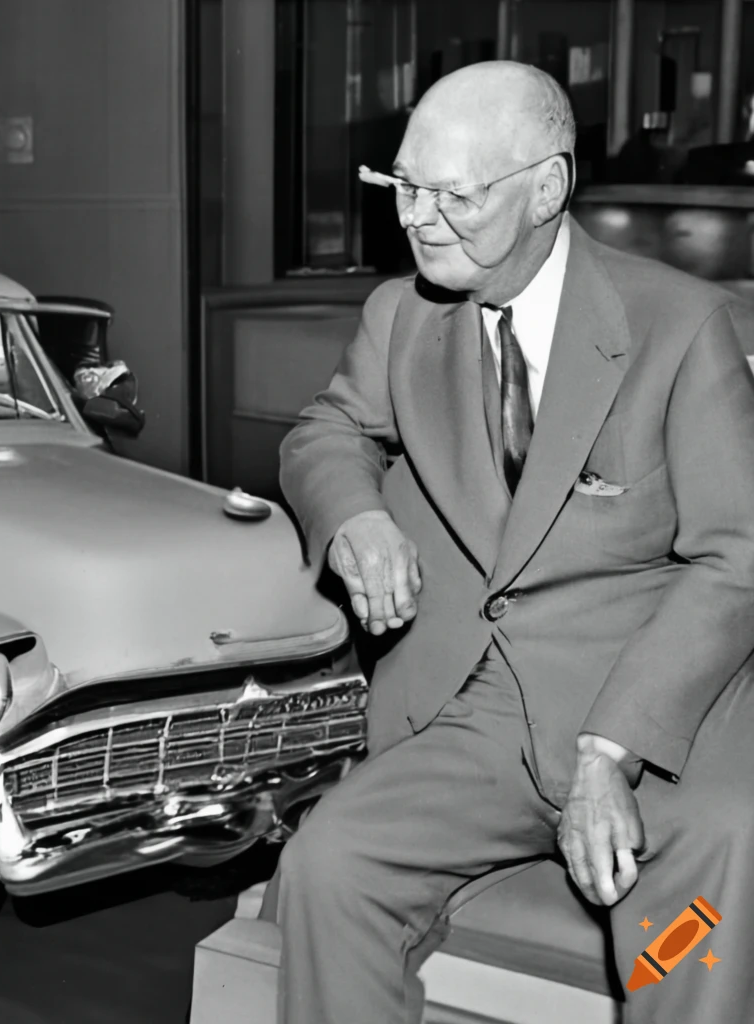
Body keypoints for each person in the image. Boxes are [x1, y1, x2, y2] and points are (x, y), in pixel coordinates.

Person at [274, 60, 754, 1024]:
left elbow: (737, 555)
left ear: (548, 189)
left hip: (656, 709)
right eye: (402, 186)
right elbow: (325, 432)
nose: (416, 218)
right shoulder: (399, 315)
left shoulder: (678, 323)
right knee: (329, 865)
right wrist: (355, 516)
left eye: (454, 194)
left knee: (702, 899)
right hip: (477, 703)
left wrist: (606, 758)